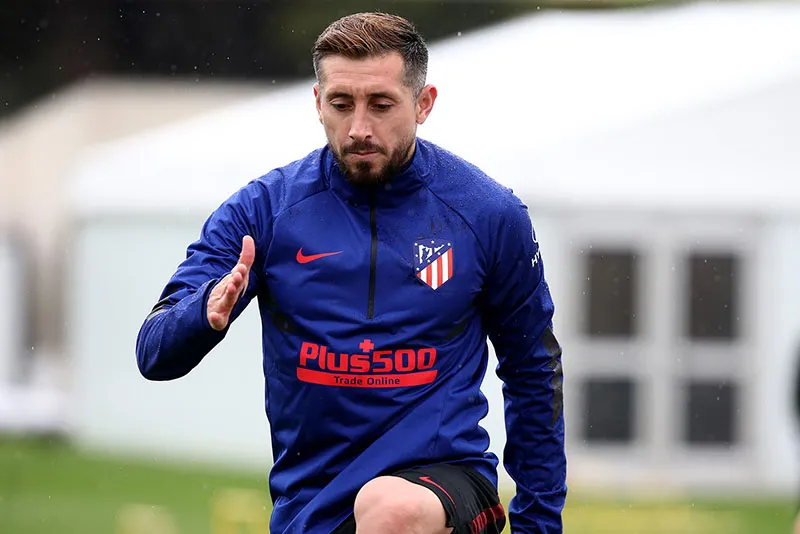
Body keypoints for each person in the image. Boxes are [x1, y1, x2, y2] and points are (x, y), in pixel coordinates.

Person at [135, 12, 566, 534]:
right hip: (311, 503)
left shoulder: (487, 214)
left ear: (423, 104)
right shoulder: (263, 214)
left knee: (389, 509)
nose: (360, 127)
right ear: (318, 103)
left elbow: (532, 370)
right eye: (342, 104)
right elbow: (153, 353)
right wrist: (201, 314)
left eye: (381, 105)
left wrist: (537, 524)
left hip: (442, 484)